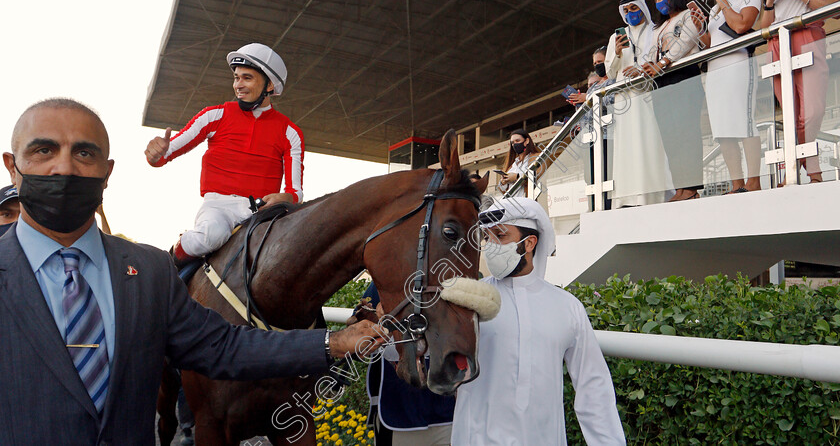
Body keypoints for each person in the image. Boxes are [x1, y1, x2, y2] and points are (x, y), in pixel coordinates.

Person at [0, 98, 385, 445]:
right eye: (44, 150)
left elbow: (226, 347)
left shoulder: (150, 270)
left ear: (107, 172)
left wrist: (333, 343)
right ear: (12, 167)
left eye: (84, 153)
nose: (65, 167)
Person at [451, 197, 625, 445]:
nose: (490, 246)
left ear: (529, 243)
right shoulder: (469, 299)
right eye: (487, 238)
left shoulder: (567, 307)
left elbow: (593, 385)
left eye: (500, 236)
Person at [145, 43, 304, 266]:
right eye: (236, 78)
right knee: (211, 235)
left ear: (269, 84)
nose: (238, 85)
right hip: (217, 209)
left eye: (246, 78)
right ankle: (166, 266)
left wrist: (288, 197)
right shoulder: (213, 115)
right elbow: (164, 154)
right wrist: (156, 153)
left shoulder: (291, 133)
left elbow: (295, 192)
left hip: (261, 213)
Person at [762, 0, 840, 184]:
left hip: (809, 36)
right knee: (790, 114)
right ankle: (803, 173)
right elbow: (765, 28)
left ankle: (808, 168)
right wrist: (771, 0)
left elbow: (836, 10)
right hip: (778, 43)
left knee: (812, 111)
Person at [699, 0, 763, 194]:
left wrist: (723, 0)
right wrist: (698, 28)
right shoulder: (715, 11)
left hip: (739, 65)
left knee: (744, 121)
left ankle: (753, 181)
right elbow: (710, 42)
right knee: (722, 128)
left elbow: (740, 25)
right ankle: (737, 183)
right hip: (715, 71)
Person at [360, 284, 455, 446]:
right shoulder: (381, 281)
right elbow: (359, 340)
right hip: (397, 411)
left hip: (447, 414)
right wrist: (375, 321)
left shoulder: (449, 279)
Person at [605, 0, 670, 208]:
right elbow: (610, 71)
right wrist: (616, 53)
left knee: (650, 141)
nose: (631, 13)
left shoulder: (654, 30)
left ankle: (650, 196)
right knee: (627, 145)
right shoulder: (616, 38)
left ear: (643, 8)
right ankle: (627, 197)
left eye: (635, 8)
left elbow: (662, 58)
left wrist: (642, 68)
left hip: (648, 94)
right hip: (624, 99)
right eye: (627, 10)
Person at [643, 0, 705, 202]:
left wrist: (664, 61)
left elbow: (687, 40)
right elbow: (651, 52)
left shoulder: (688, 15)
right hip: (662, 81)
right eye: (655, 0)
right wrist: (648, 64)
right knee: (670, 137)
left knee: (686, 133)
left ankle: (691, 187)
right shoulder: (658, 28)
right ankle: (680, 187)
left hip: (684, 74)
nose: (658, 3)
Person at [497, 129, 539, 198]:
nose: (515, 144)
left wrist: (517, 177)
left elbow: (538, 176)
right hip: (512, 203)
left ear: (527, 141)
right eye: (512, 143)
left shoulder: (536, 157)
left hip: (527, 201)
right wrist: (503, 182)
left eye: (517, 141)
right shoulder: (512, 165)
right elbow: (503, 190)